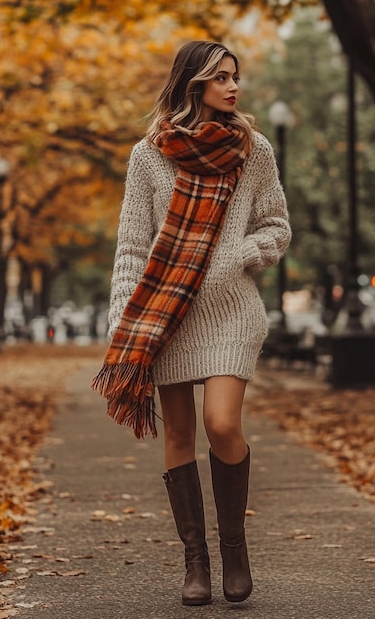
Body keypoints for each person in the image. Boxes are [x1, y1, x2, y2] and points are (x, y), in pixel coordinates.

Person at [91, 40, 291, 606]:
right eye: (220, 78)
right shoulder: (149, 156)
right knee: (178, 434)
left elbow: (277, 227)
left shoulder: (255, 151)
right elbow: (132, 247)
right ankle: (195, 561)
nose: (233, 87)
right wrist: (122, 320)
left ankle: (234, 546)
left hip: (231, 310)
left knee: (222, 425)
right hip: (166, 313)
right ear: (192, 84)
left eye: (235, 76)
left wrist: (239, 254)